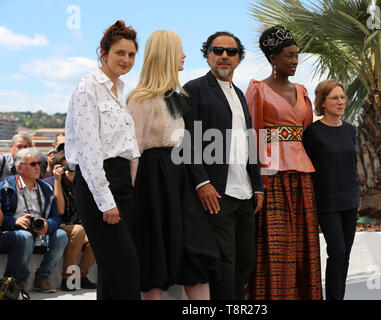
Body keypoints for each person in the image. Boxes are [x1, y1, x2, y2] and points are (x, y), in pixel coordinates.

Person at [127, 30, 220, 300]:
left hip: (181, 183)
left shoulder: (178, 97)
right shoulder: (140, 99)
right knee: (154, 259)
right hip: (153, 185)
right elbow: (134, 151)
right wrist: (133, 200)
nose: (184, 55)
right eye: (179, 49)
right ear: (166, 54)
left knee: (197, 255)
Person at [183, 31, 264, 300]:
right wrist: (201, 182)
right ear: (207, 55)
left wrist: (258, 186)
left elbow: (248, 141)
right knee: (224, 263)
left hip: (245, 193)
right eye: (218, 50)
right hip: (217, 193)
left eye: (231, 52)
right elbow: (186, 140)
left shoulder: (240, 95)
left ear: (239, 58)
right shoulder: (194, 89)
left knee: (246, 260)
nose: (224, 56)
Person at [65, 20, 141, 300]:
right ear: (103, 52)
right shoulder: (89, 86)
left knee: (111, 277)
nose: (126, 60)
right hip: (99, 185)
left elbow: (128, 148)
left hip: (123, 185)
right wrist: (106, 201)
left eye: (132, 54)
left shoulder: (120, 90)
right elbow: (89, 150)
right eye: (120, 52)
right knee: (127, 271)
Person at [245, 25, 323, 300]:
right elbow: (251, 136)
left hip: (302, 175)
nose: (294, 61)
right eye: (288, 56)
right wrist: (257, 183)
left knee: (304, 242)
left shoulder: (303, 91)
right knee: (273, 247)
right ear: (273, 58)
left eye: (296, 56)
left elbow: (306, 131)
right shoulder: (257, 89)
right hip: (270, 175)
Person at [303, 79, 360, 300]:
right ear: (323, 102)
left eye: (342, 97)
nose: (340, 101)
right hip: (327, 203)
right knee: (336, 251)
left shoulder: (350, 130)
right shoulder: (313, 133)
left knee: (345, 255)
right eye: (334, 97)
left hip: (350, 201)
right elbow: (307, 168)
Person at [0, 147, 68, 296]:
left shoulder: (46, 187)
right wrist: (14, 222)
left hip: (40, 234)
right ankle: (20, 279)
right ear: (20, 168)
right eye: (33, 164)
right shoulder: (6, 187)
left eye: (38, 163)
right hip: (13, 233)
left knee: (62, 235)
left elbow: (57, 217)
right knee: (25, 236)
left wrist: (47, 225)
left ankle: (42, 277)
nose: (38, 167)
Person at [43, 149, 97, 291]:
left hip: (75, 226)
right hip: (55, 225)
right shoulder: (49, 183)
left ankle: (81, 275)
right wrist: (57, 181)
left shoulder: (79, 184)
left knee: (98, 235)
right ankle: (69, 278)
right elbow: (60, 210)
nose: (70, 170)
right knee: (78, 231)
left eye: (74, 166)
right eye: (66, 166)